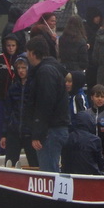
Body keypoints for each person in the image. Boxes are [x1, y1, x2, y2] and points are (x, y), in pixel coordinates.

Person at [26, 36, 70, 172]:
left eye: (27, 52)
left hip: (51, 130)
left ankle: (52, 194)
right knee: (52, 167)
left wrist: (38, 133)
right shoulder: (54, 68)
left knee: (49, 172)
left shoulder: (44, 72)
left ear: (33, 53)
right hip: (57, 127)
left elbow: (45, 104)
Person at [0, 55, 38, 168]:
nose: (21, 71)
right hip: (14, 130)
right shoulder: (13, 87)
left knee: (35, 163)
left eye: (24, 67)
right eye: (19, 68)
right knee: (9, 163)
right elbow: (7, 111)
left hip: (30, 131)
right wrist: (4, 134)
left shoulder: (34, 86)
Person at [0, 34, 18, 155]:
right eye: (8, 46)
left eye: (13, 46)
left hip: (13, 99)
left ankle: (9, 149)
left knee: (11, 125)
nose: (10, 48)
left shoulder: (18, 59)